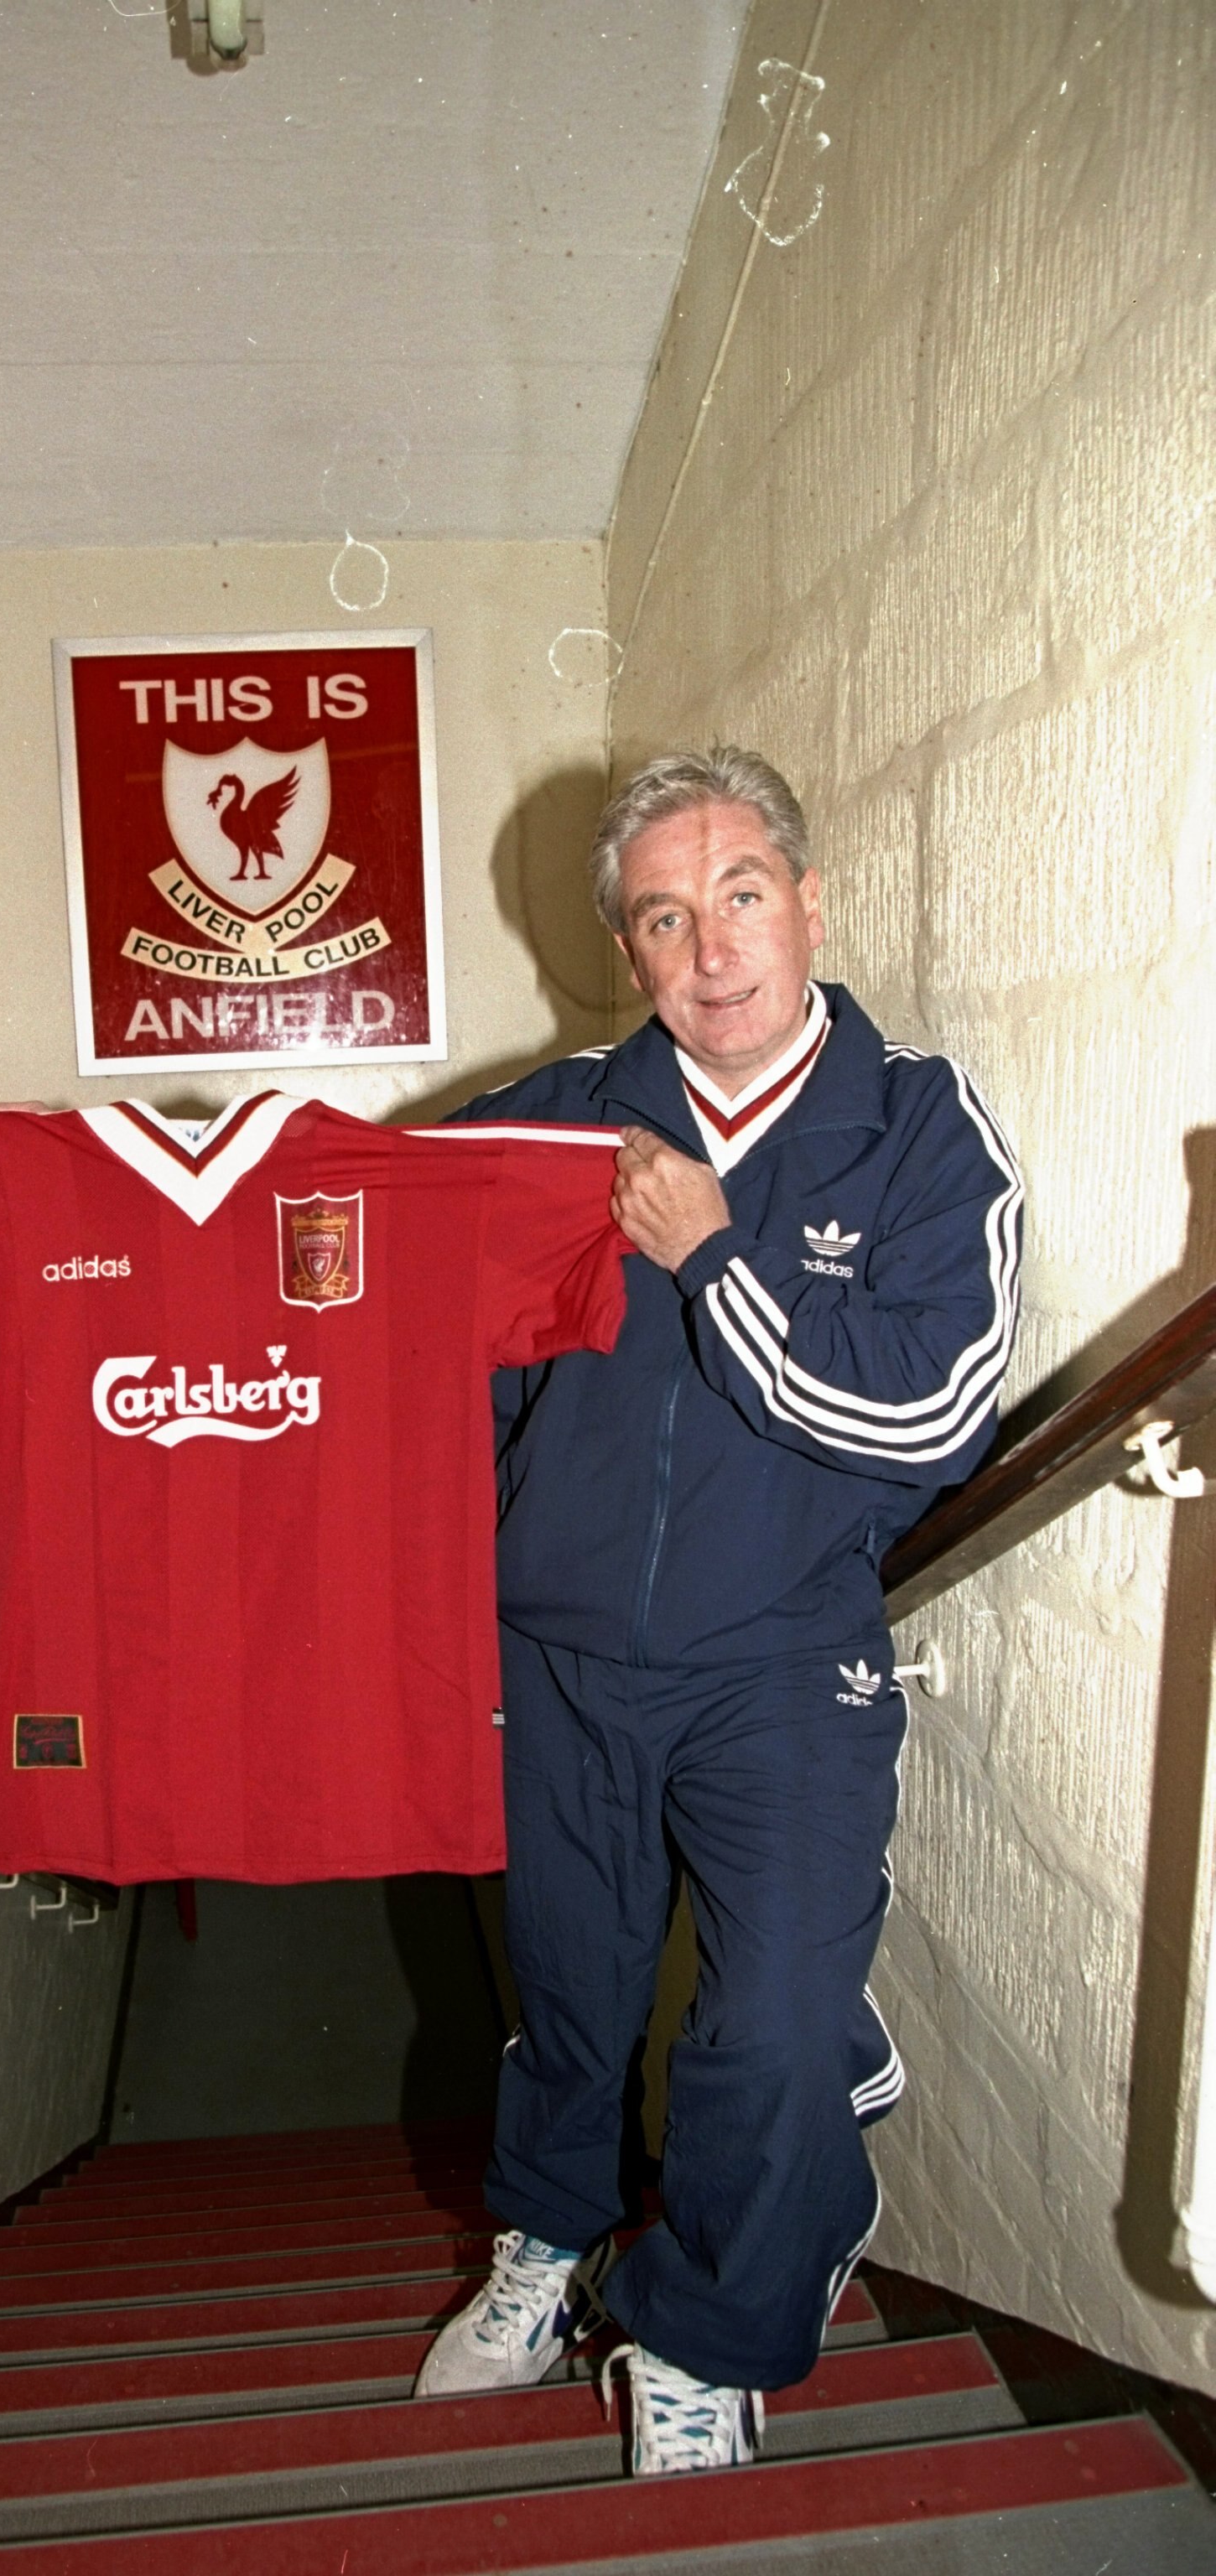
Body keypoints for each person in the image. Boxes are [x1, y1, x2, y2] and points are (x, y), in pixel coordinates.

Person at [415, 747, 1021, 2476]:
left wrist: (711, 1260)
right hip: (555, 1656)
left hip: (784, 1658)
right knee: (570, 1992)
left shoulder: (913, 1129)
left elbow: (925, 1416)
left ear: (809, 903)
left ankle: (695, 2334)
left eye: (741, 891)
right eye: (664, 915)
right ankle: (542, 2241)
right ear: (628, 949)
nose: (712, 944)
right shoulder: (540, 1128)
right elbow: (370, 1307)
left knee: (759, 2025)